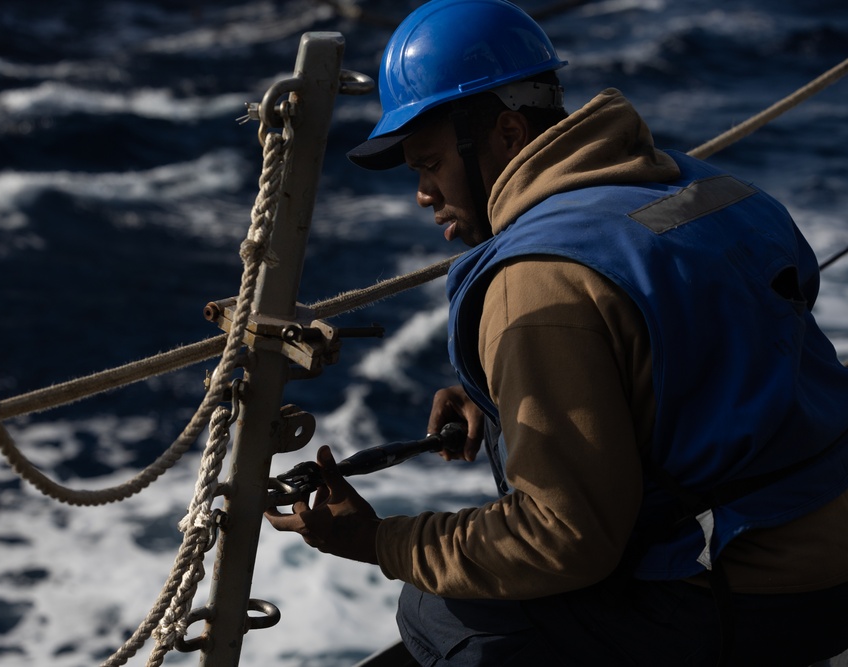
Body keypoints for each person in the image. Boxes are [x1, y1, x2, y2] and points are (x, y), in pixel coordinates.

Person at [265, 0, 848, 664]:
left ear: (508, 135)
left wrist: (379, 540)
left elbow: (563, 539)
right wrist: (505, 387)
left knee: (440, 610)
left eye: (427, 164)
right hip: (827, 548)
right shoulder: (709, 188)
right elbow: (701, 350)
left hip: (761, 599)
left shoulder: (539, 283)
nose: (422, 193)